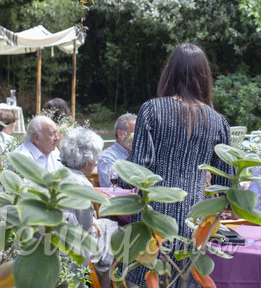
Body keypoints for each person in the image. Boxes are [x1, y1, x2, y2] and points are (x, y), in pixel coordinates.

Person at [118, 43, 233, 287]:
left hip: (153, 217)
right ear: (204, 77)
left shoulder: (151, 111)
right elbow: (224, 189)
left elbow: (137, 171)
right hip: (193, 221)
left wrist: (118, 174)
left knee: (146, 277)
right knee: (184, 280)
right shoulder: (219, 122)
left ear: (169, 72)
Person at [60, 126, 117, 288]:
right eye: (95, 159)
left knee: (105, 228)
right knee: (114, 229)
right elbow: (86, 228)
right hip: (74, 249)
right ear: (86, 162)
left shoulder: (54, 173)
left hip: (52, 241)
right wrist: (92, 222)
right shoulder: (83, 185)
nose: (96, 163)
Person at [96, 113, 136, 187]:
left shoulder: (141, 154)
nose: (139, 136)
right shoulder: (107, 157)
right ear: (120, 134)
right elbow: (116, 185)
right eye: (134, 132)